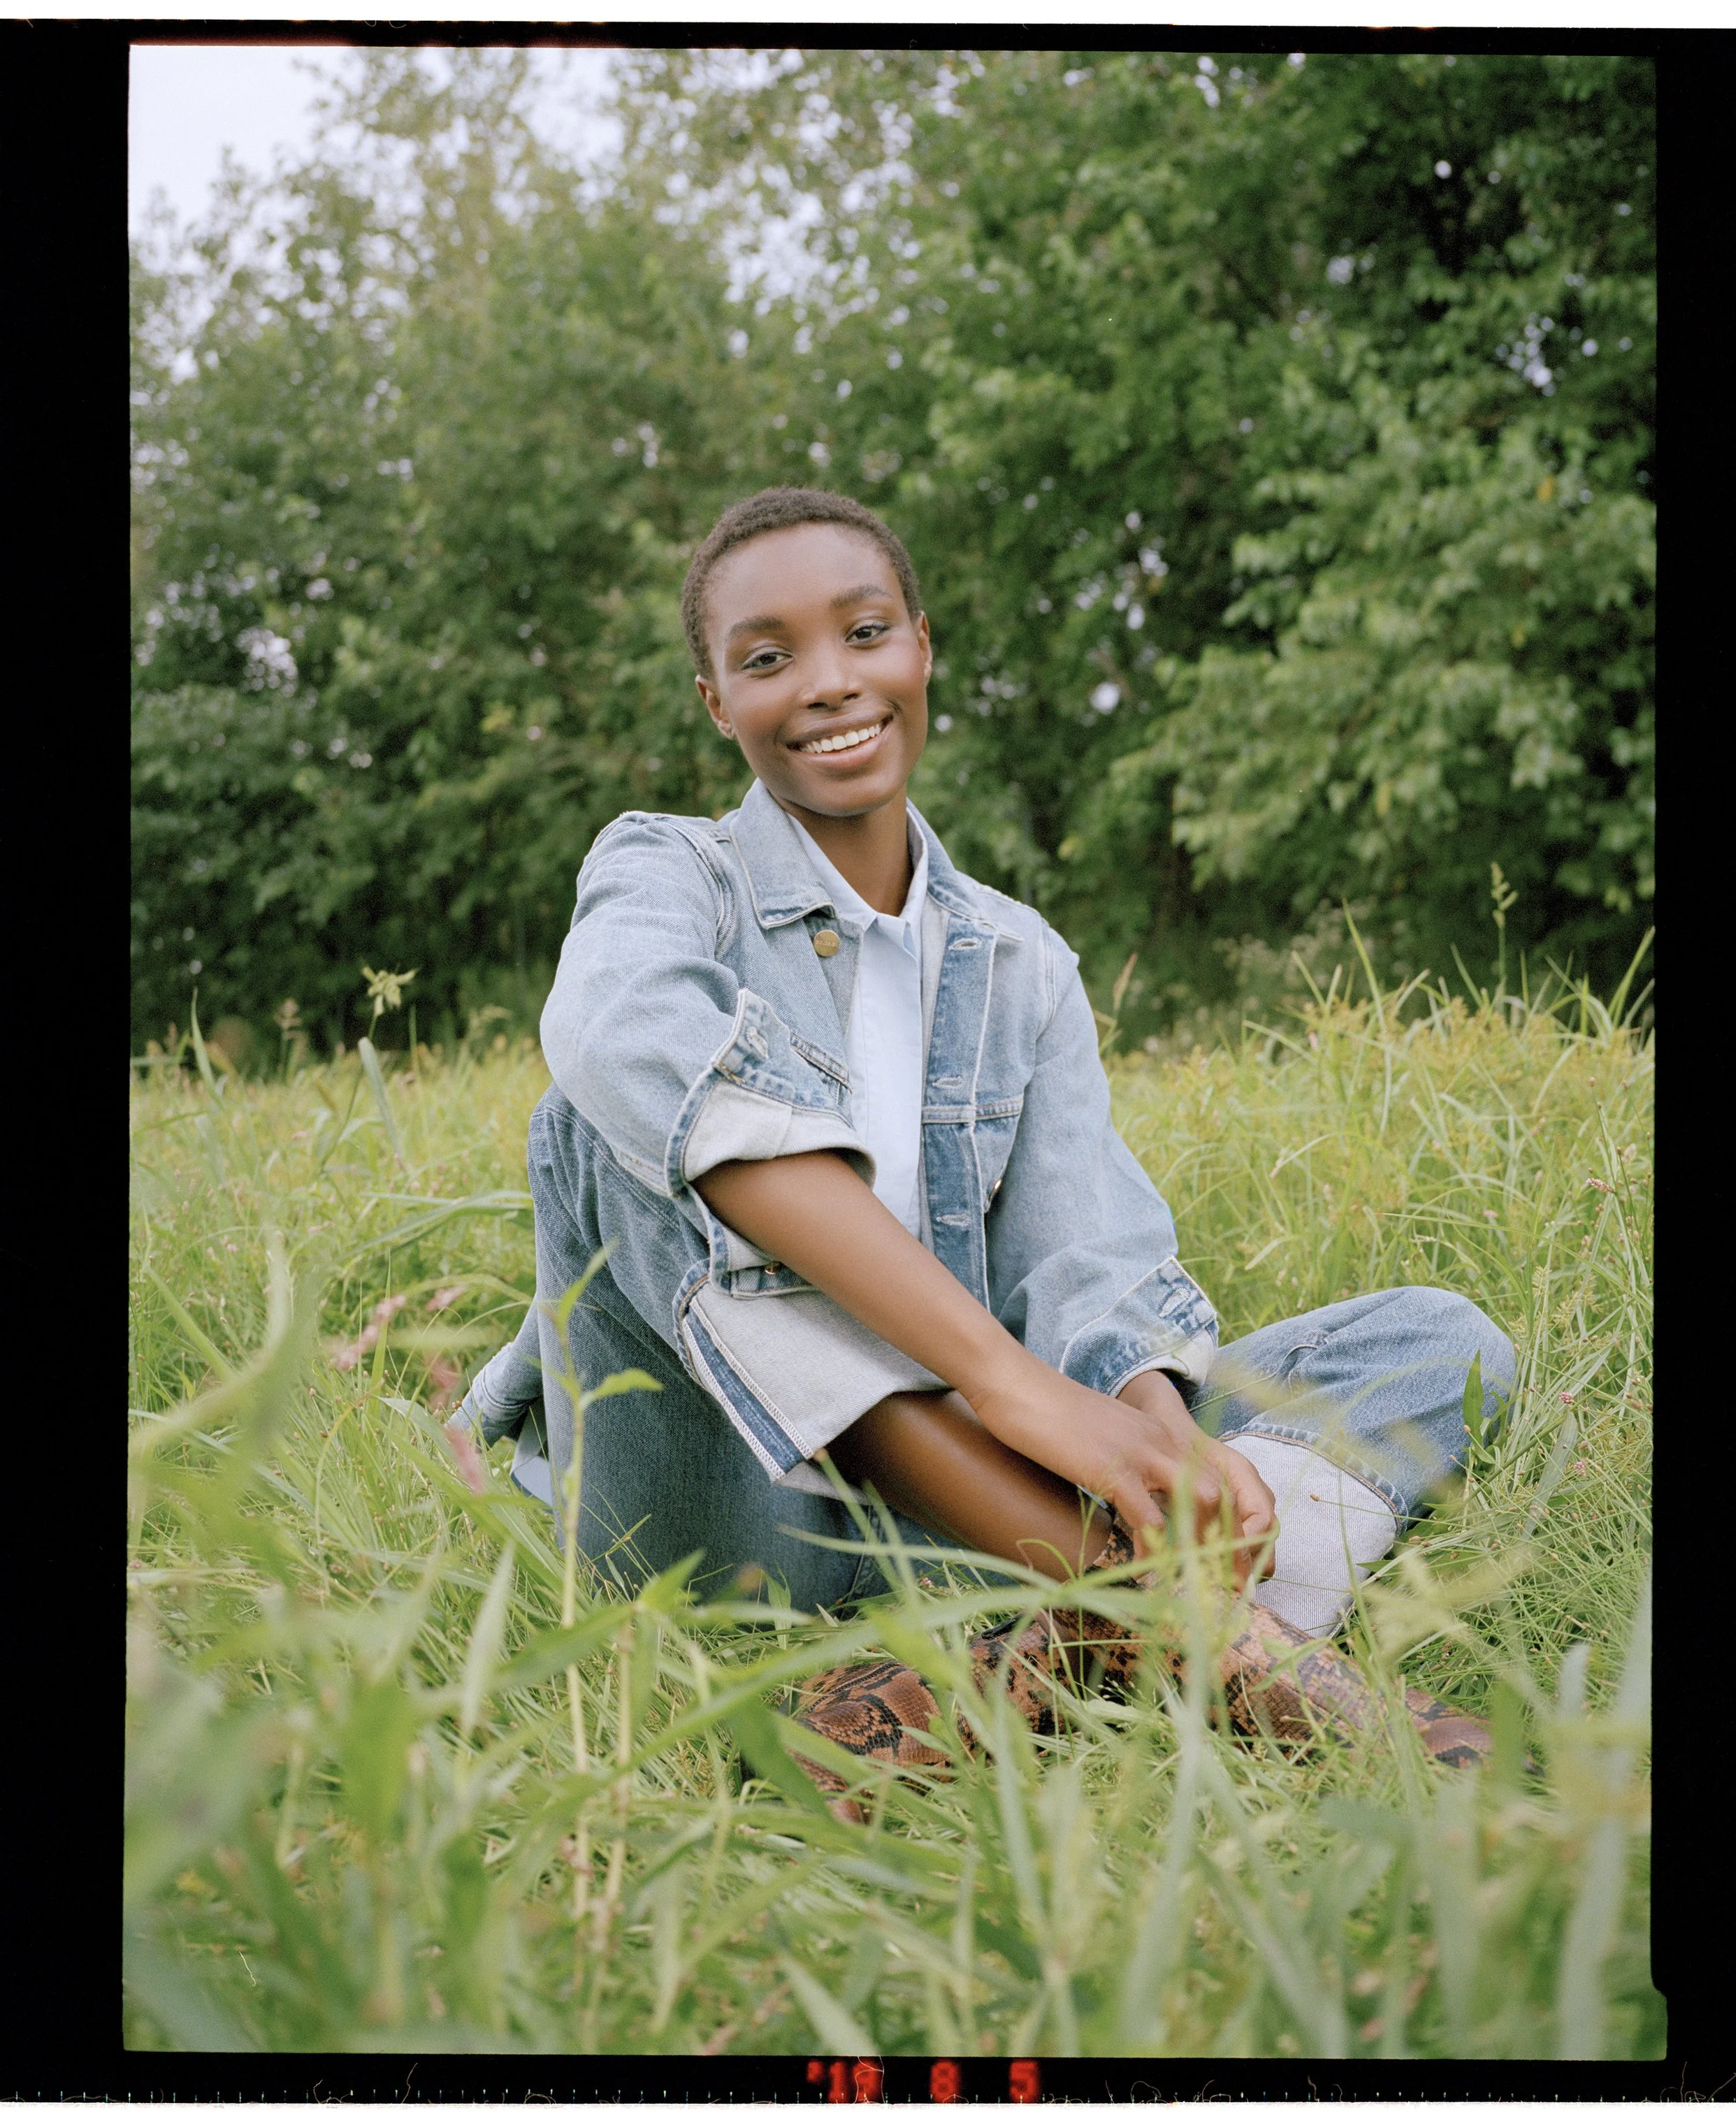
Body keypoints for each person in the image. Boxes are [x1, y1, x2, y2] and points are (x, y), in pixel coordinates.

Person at [454, 486, 1515, 1804]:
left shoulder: (1017, 957)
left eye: (866, 631)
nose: (830, 684)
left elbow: (1092, 1256)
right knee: (605, 1120)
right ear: (718, 701)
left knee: (1438, 1342)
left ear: (923, 646)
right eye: (769, 657)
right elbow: (616, 1036)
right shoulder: (670, 875)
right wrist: (1008, 1384)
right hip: (726, 1510)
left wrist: (1152, 1433)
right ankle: (1181, 1626)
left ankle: (1026, 1649)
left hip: (944, 1526)